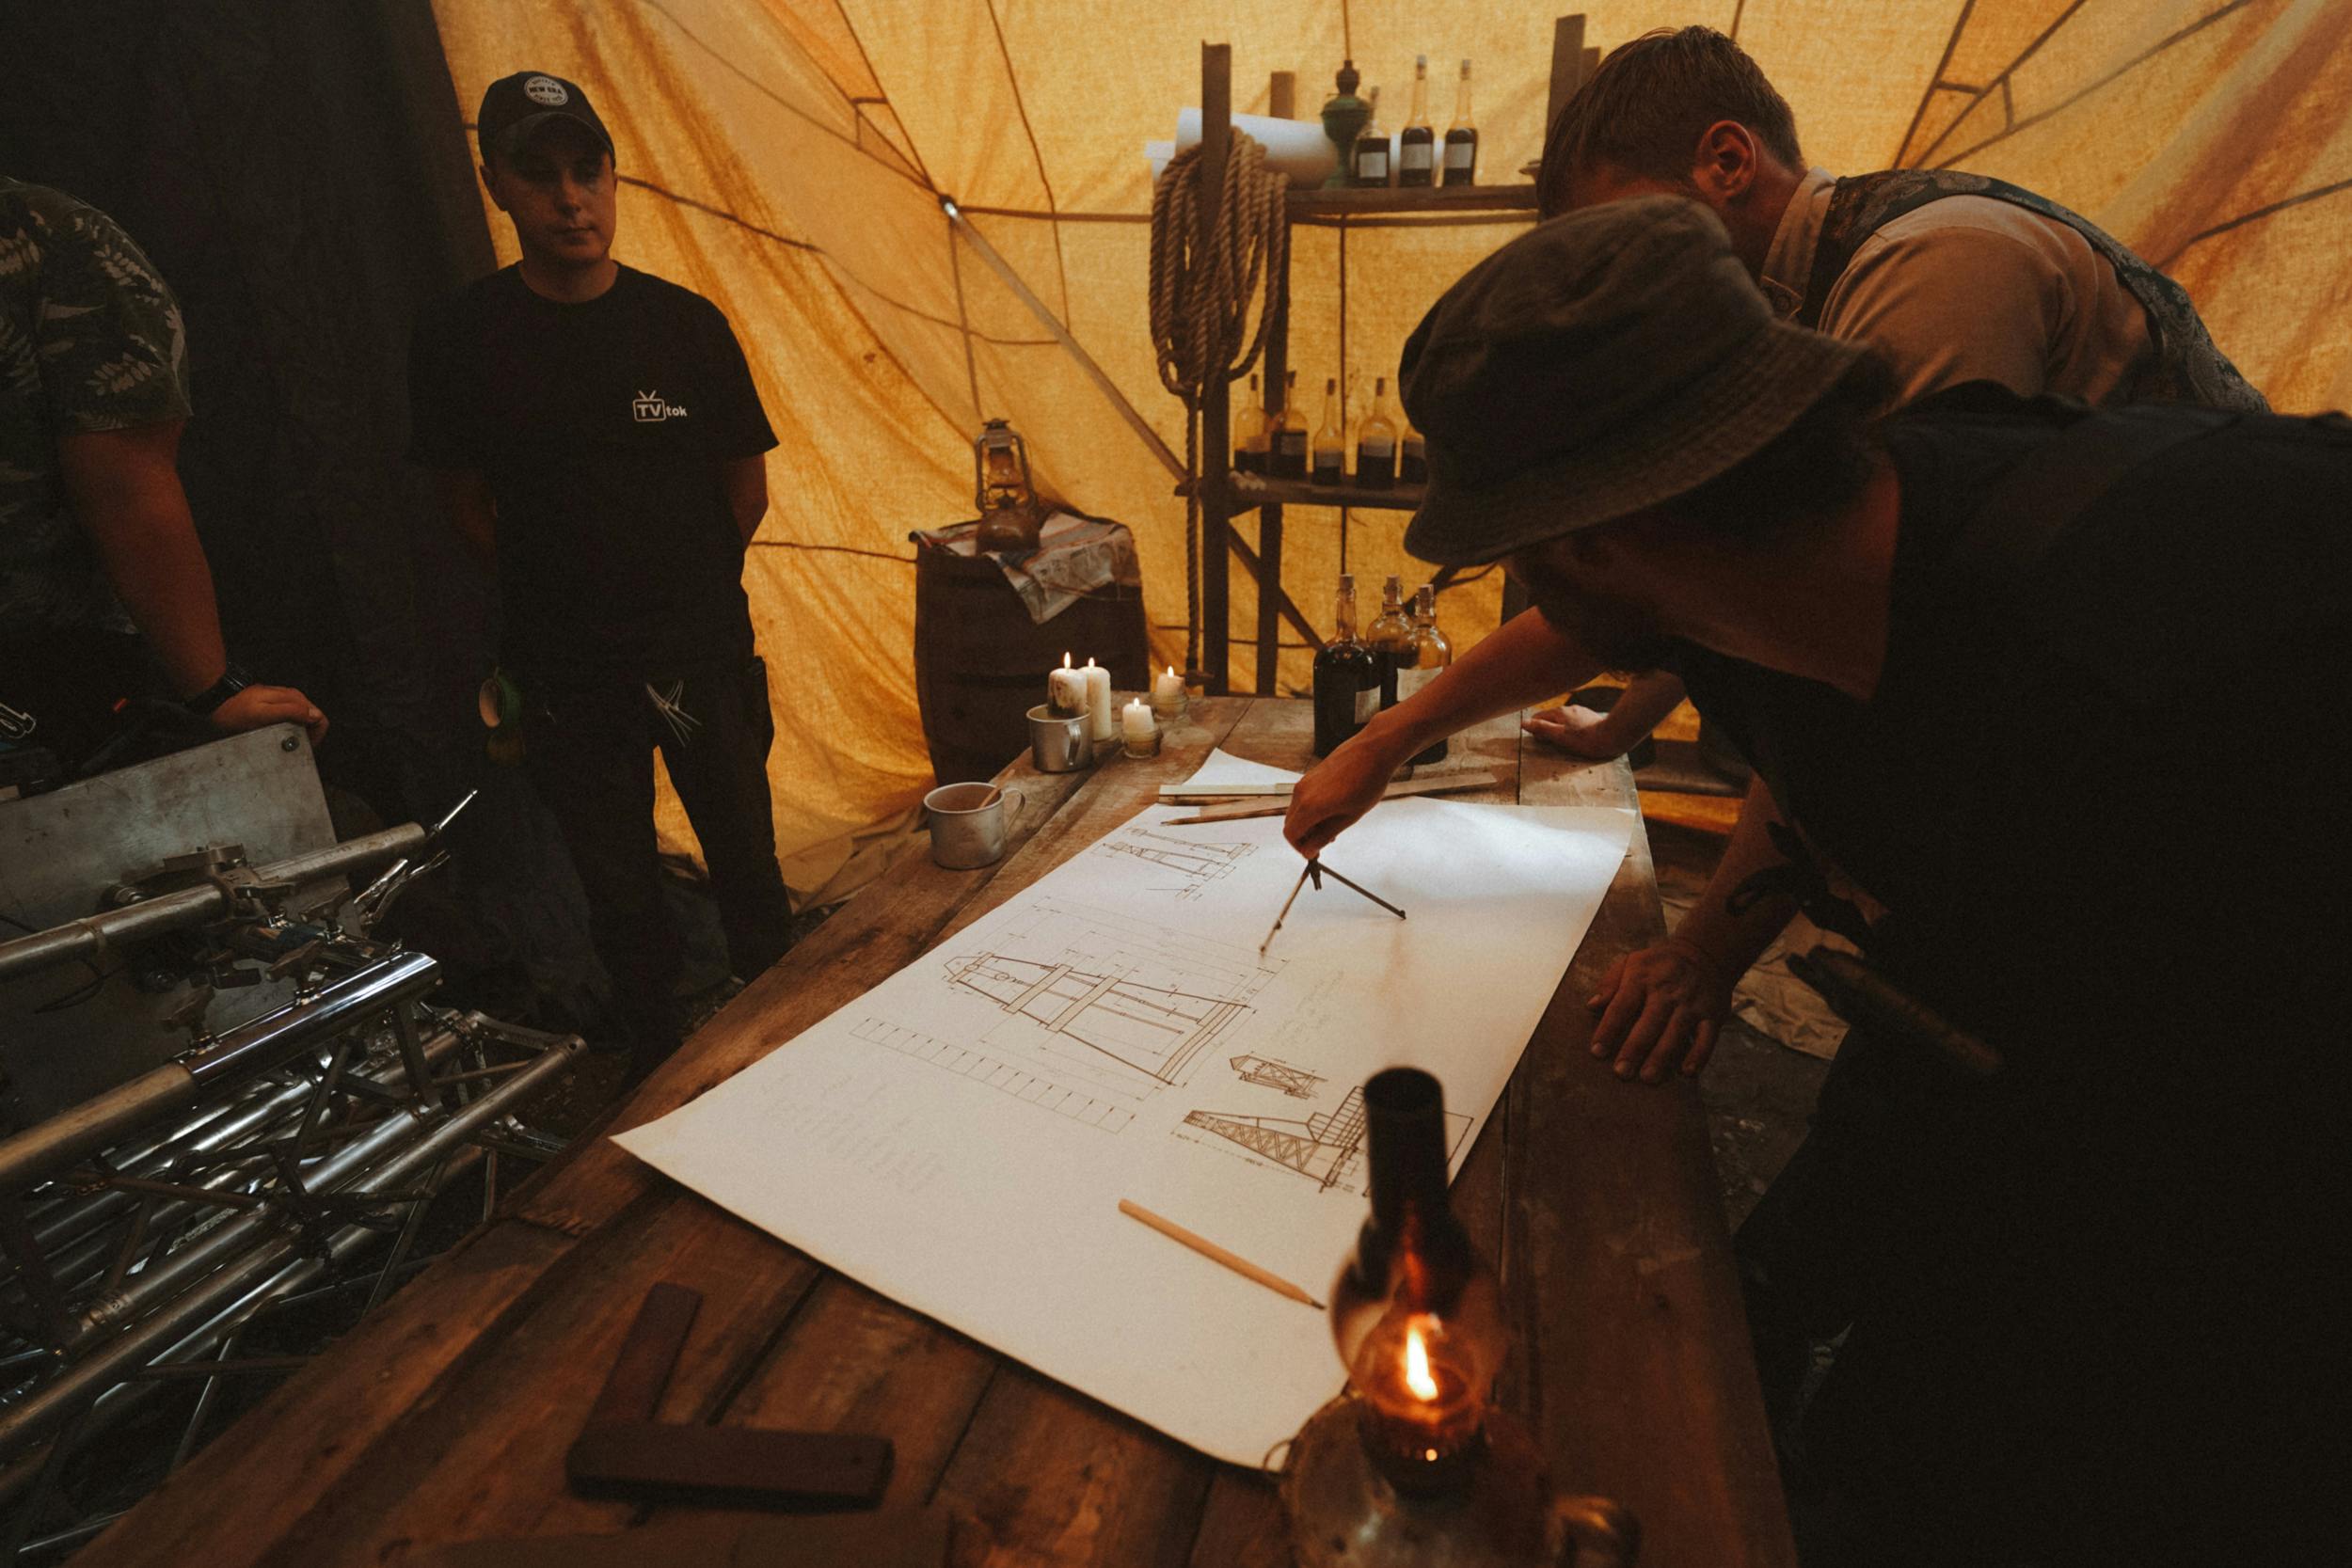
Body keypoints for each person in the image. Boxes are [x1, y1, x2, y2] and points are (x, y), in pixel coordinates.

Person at [1284, 198, 2344, 1564]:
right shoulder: (1753, 572)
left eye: (1528, 543)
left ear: (1609, 536)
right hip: (1996, 1050)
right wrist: (1386, 738)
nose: (1531, 583)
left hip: (2249, 1200)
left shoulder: (2176, 598)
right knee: (1832, 1401)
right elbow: (1585, 640)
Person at [1518, 27, 2266, 1084]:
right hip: (2057, 779)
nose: (1616, 284)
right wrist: (1622, 719)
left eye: (1620, 238)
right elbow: (1703, 592)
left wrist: (1701, 952)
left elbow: (1860, 641)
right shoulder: (1791, 301)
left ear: (1726, 162)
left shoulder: (1929, 271)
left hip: (2200, 800)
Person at [407, 72, 791, 1072]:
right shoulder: (460, 340)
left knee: (749, 870)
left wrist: (676, 592)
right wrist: (577, 596)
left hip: (698, 656)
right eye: (540, 176)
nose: (570, 198)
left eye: (589, 171)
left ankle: (799, 1050)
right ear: (498, 186)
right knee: (619, 893)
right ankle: (660, 1073)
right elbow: (464, 507)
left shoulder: (685, 326)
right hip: (570, 675)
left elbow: (743, 495)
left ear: (615, 181)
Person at [1, 177, 326, 776]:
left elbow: (125, 480)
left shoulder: (46, 242)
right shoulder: (53, 239)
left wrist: (212, 689)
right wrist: (214, 690)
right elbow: (124, 487)